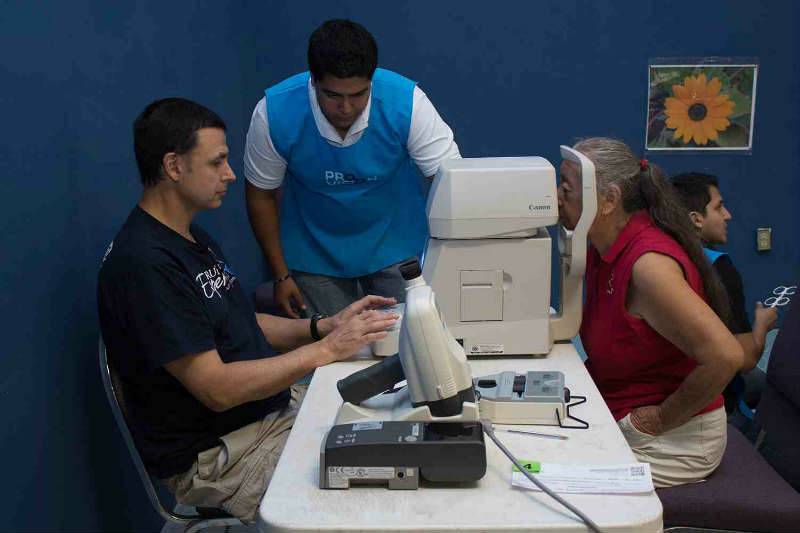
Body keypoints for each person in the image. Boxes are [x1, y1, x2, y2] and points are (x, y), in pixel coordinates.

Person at [98, 98, 397, 523]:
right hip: (222, 455)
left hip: (268, 415)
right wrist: (326, 350)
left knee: (393, 430)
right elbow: (216, 388)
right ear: (174, 166)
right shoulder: (143, 265)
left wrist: (321, 326)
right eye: (217, 161)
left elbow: (238, 322)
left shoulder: (190, 238)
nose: (230, 174)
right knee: (372, 500)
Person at [244, 19, 460, 320]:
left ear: (372, 80)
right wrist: (281, 276)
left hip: (397, 247)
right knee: (331, 355)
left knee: (414, 344)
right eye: (332, 95)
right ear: (313, 81)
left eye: (358, 94)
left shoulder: (407, 103)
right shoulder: (273, 113)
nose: (346, 108)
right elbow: (260, 195)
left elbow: (451, 183)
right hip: (313, 256)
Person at [557, 137, 743, 487]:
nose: (556, 196)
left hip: (675, 440)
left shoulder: (648, 267)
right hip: (618, 411)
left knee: (557, 490)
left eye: (567, 188)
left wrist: (656, 420)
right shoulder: (602, 243)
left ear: (609, 199)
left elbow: (726, 356)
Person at [671, 172, 777, 423]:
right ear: (696, 219)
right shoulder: (719, 270)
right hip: (708, 401)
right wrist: (761, 325)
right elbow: (744, 358)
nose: (727, 215)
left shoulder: (658, 259)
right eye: (719, 207)